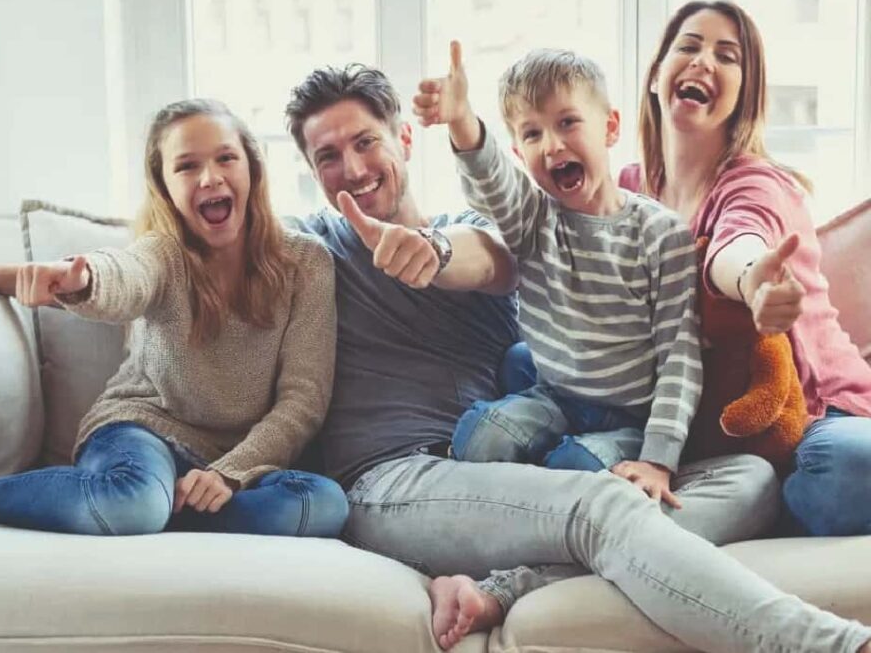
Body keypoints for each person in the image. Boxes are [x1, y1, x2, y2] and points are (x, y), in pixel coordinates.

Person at [284, 63, 871, 652]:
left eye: (365, 142)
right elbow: (232, 245)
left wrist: (431, 251)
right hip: (400, 481)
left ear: (404, 139)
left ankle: (511, 585)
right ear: (311, 172)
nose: (354, 169)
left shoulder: (493, 232)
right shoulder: (313, 249)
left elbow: (483, 259)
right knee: (603, 506)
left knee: (752, 481)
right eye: (328, 156)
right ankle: (829, 646)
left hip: (520, 478)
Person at [0, 99, 348, 547]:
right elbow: (119, 277)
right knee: (131, 499)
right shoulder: (163, 253)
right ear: (167, 189)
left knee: (320, 504)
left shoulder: (307, 263)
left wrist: (230, 474)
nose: (209, 178)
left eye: (225, 158)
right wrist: (75, 280)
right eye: (187, 166)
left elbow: (303, 400)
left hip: (239, 460)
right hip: (142, 433)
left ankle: (152, 513)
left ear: (252, 168)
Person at [409, 43, 701, 507]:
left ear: (610, 127)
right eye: (532, 134)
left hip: (630, 419)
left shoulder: (662, 233)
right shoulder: (533, 219)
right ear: (519, 152)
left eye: (568, 122)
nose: (551, 145)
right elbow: (492, 180)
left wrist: (658, 460)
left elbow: (680, 358)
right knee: (481, 439)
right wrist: (461, 119)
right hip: (555, 396)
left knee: (577, 472)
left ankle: (548, 490)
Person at [623, 0, 871, 537]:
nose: (703, 61)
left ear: (744, 95)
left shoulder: (755, 183)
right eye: (688, 47)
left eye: (726, 56)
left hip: (819, 415)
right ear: (655, 77)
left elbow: (738, 242)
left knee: (841, 467)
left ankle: (764, 502)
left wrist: (752, 278)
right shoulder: (625, 190)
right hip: (707, 430)